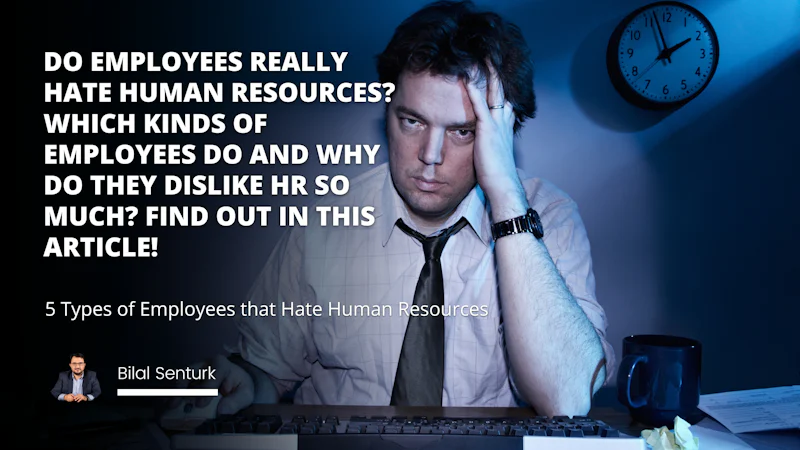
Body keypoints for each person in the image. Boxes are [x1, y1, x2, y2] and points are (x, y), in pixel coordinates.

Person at [183, 0, 614, 417]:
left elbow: (567, 399)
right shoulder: (325, 222)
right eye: (412, 121)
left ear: (500, 134)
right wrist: (243, 387)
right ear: (387, 111)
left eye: (463, 132)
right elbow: (266, 372)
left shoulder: (548, 217)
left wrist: (505, 198)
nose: (430, 154)